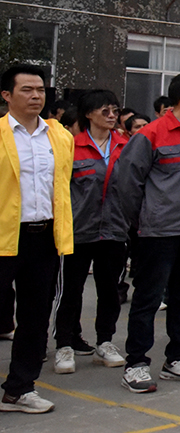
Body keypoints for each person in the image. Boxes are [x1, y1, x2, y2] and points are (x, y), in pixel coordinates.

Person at [112, 72, 180, 393]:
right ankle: (137, 363)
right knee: (147, 298)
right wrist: (141, 222)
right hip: (157, 233)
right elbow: (127, 184)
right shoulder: (152, 134)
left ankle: (177, 357)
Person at [0, 64, 74, 414]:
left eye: (40, 90)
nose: (35, 96)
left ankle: (20, 388)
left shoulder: (58, 136)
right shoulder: (0, 133)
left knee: (35, 317)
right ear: (6, 95)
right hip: (3, 238)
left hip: (43, 238)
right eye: (27, 89)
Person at [53, 90, 129, 375]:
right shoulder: (71, 146)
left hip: (114, 230)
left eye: (114, 111)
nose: (111, 116)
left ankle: (106, 342)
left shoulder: (126, 145)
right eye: (105, 111)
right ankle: (64, 344)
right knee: (70, 291)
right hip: (77, 231)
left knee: (110, 290)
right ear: (88, 114)